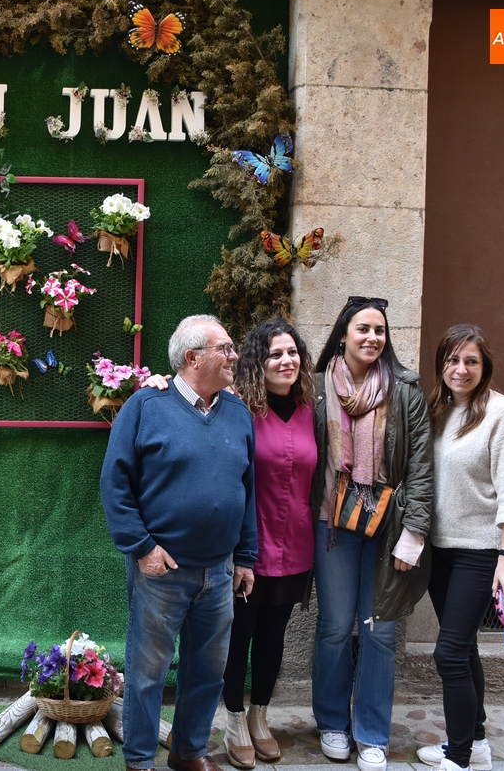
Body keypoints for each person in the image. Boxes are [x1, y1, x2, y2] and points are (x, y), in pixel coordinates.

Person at [100, 314, 257, 771]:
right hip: (161, 570)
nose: (234, 356)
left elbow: (248, 491)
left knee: (208, 673)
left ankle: (188, 754)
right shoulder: (145, 407)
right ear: (193, 358)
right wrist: (142, 547)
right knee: (148, 674)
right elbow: (115, 484)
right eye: (225, 348)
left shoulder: (238, 412)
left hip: (220, 570)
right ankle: (141, 761)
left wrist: (245, 556)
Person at [311, 296, 433, 771]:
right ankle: (332, 724)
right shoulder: (317, 387)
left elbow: (421, 467)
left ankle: (372, 734)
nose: (372, 338)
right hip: (331, 526)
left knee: (380, 630)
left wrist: (415, 532)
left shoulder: (405, 391)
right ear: (343, 334)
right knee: (337, 627)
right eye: (363, 329)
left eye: (380, 330)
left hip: (388, 528)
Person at [417, 324, 504, 771]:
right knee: (463, 650)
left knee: (448, 653)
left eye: (471, 361)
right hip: (441, 550)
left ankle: (459, 757)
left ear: (485, 367)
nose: (460, 369)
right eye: (451, 360)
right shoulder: (441, 411)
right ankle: (476, 743)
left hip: (480, 552)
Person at [221, 319, 318, 768]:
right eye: (276, 354)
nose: (286, 361)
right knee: (239, 635)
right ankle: (235, 719)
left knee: (273, 637)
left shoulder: (309, 410)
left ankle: (261, 714)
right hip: (250, 549)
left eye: (292, 353)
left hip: (296, 545)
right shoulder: (239, 409)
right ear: (260, 361)